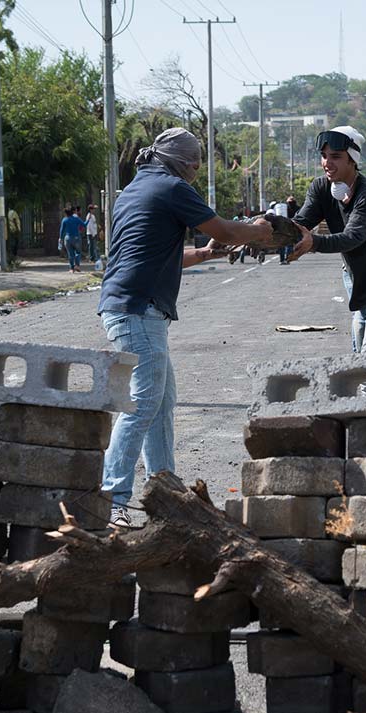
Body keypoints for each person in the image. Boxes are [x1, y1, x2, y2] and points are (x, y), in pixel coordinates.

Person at [98, 127, 277, 527]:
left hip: (129, 305)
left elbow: (159, 256)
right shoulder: (172, 187)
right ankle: (113, 501)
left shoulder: (134, 189)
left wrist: (206, 253)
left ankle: (167, 495)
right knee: (143, 403)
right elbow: (228, 230)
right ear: (185, 162)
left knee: (160, 404)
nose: (198, 168)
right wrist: (260, 232)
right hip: (138, 309)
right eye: (196, 161)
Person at [288, 126, 366, 352]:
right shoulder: (321, 187)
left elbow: (354, 236)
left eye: (335, 157)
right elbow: (300, 222)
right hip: (358, 288)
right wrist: (259, 230)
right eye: (324, 156)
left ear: (352, 160)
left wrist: (313, 243)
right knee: (359, 368)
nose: (326, 163)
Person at [59, 207, 84, 272]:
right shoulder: (76, 219)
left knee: (70, 254)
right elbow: (84, 225)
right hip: (76, 238)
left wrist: (60, 238)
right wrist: (88, 220)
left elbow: (62, 230)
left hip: (67, 238)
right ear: (72, 212)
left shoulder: (64, 220)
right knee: (78, 252)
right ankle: (77, 266)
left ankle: (71, 268)